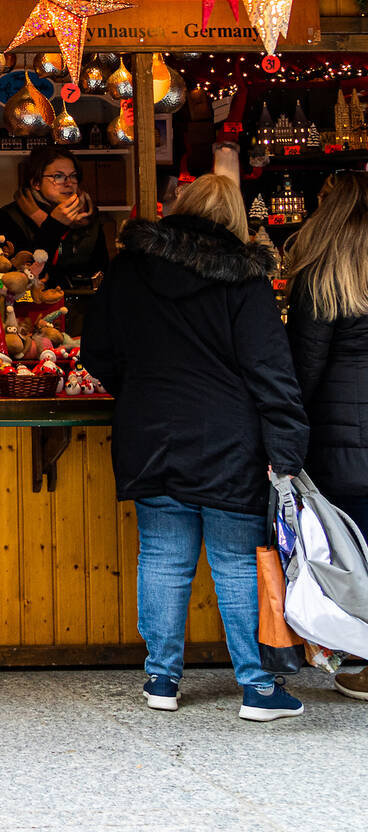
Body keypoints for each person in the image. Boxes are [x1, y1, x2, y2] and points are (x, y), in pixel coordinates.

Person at [80, 173, 308, 722]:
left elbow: (96, 349)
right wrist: (287, 442)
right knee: (235, 562)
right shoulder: (243, 278)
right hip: (228, 438)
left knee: (162, 555)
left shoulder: (130, 266)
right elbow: (270, 370)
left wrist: (138, 389)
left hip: (148, 431)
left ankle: (161, 679)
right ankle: (257, 688)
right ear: (233, 220)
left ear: (180, 208)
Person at [282, 169, 368, 701]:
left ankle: (362, 659)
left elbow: (303, 370)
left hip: (342, 440)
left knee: (353, 557)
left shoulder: (325, 274)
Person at [0, 146, 109, 287]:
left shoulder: (88, 215)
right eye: (58, 176)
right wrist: (54, 225)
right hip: (33, 302)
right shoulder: (10, 216)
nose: (68, 183)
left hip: (83, 302)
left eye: (73, 176)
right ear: (36, 183)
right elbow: (12, 275)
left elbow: (103, 269)